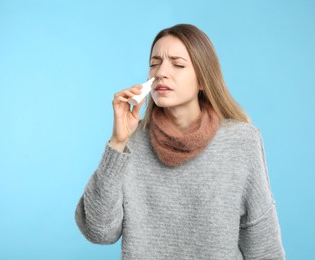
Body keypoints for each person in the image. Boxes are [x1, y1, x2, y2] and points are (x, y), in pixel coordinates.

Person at [75, 24, 285, 259]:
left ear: (203, 79)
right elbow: (98, 232)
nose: (160, 72)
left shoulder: (241, 141)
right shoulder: (130, 144)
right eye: (154, 63)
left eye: (178, 64)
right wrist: (117, 143)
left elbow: (262, 241)